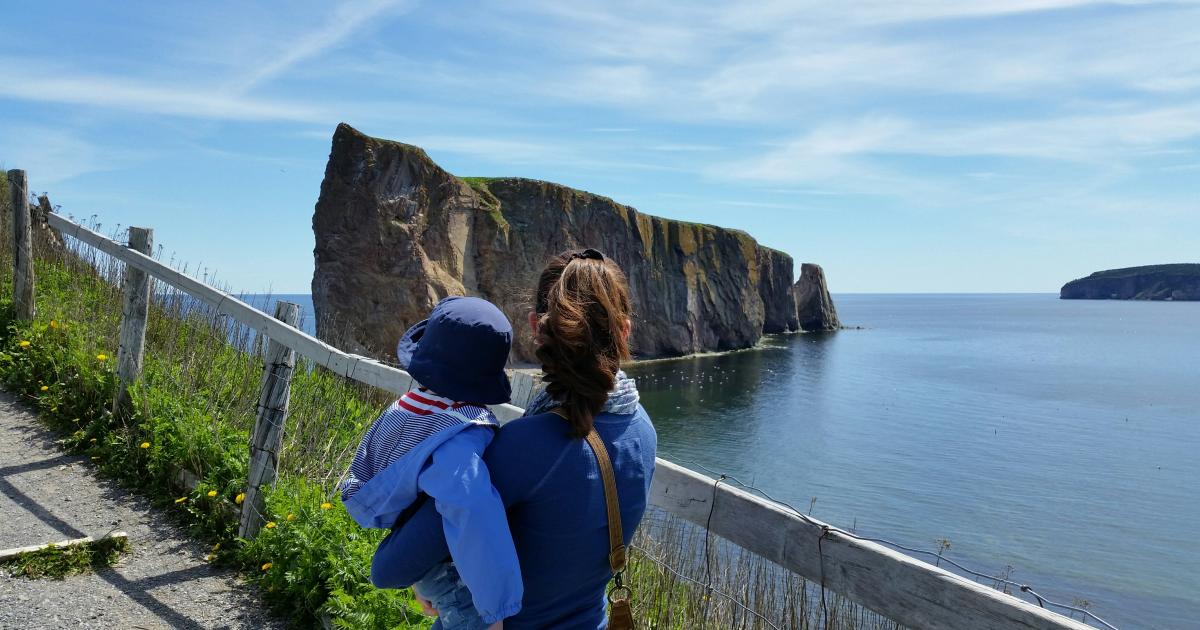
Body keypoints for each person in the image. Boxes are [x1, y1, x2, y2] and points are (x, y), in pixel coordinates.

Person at [371, 248, 658, 629]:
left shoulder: (524, 444)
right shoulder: (643, 429)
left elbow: (389, 569)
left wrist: (432, 579)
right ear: (624, 330)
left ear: (536, 328)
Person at [341, 296, 522, 629]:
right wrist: (497, 607)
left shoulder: (404, 409)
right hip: (457, 577)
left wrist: (416, 570)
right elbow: (471, 508)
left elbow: (403, 491)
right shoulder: (458, 432)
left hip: (421, 556)